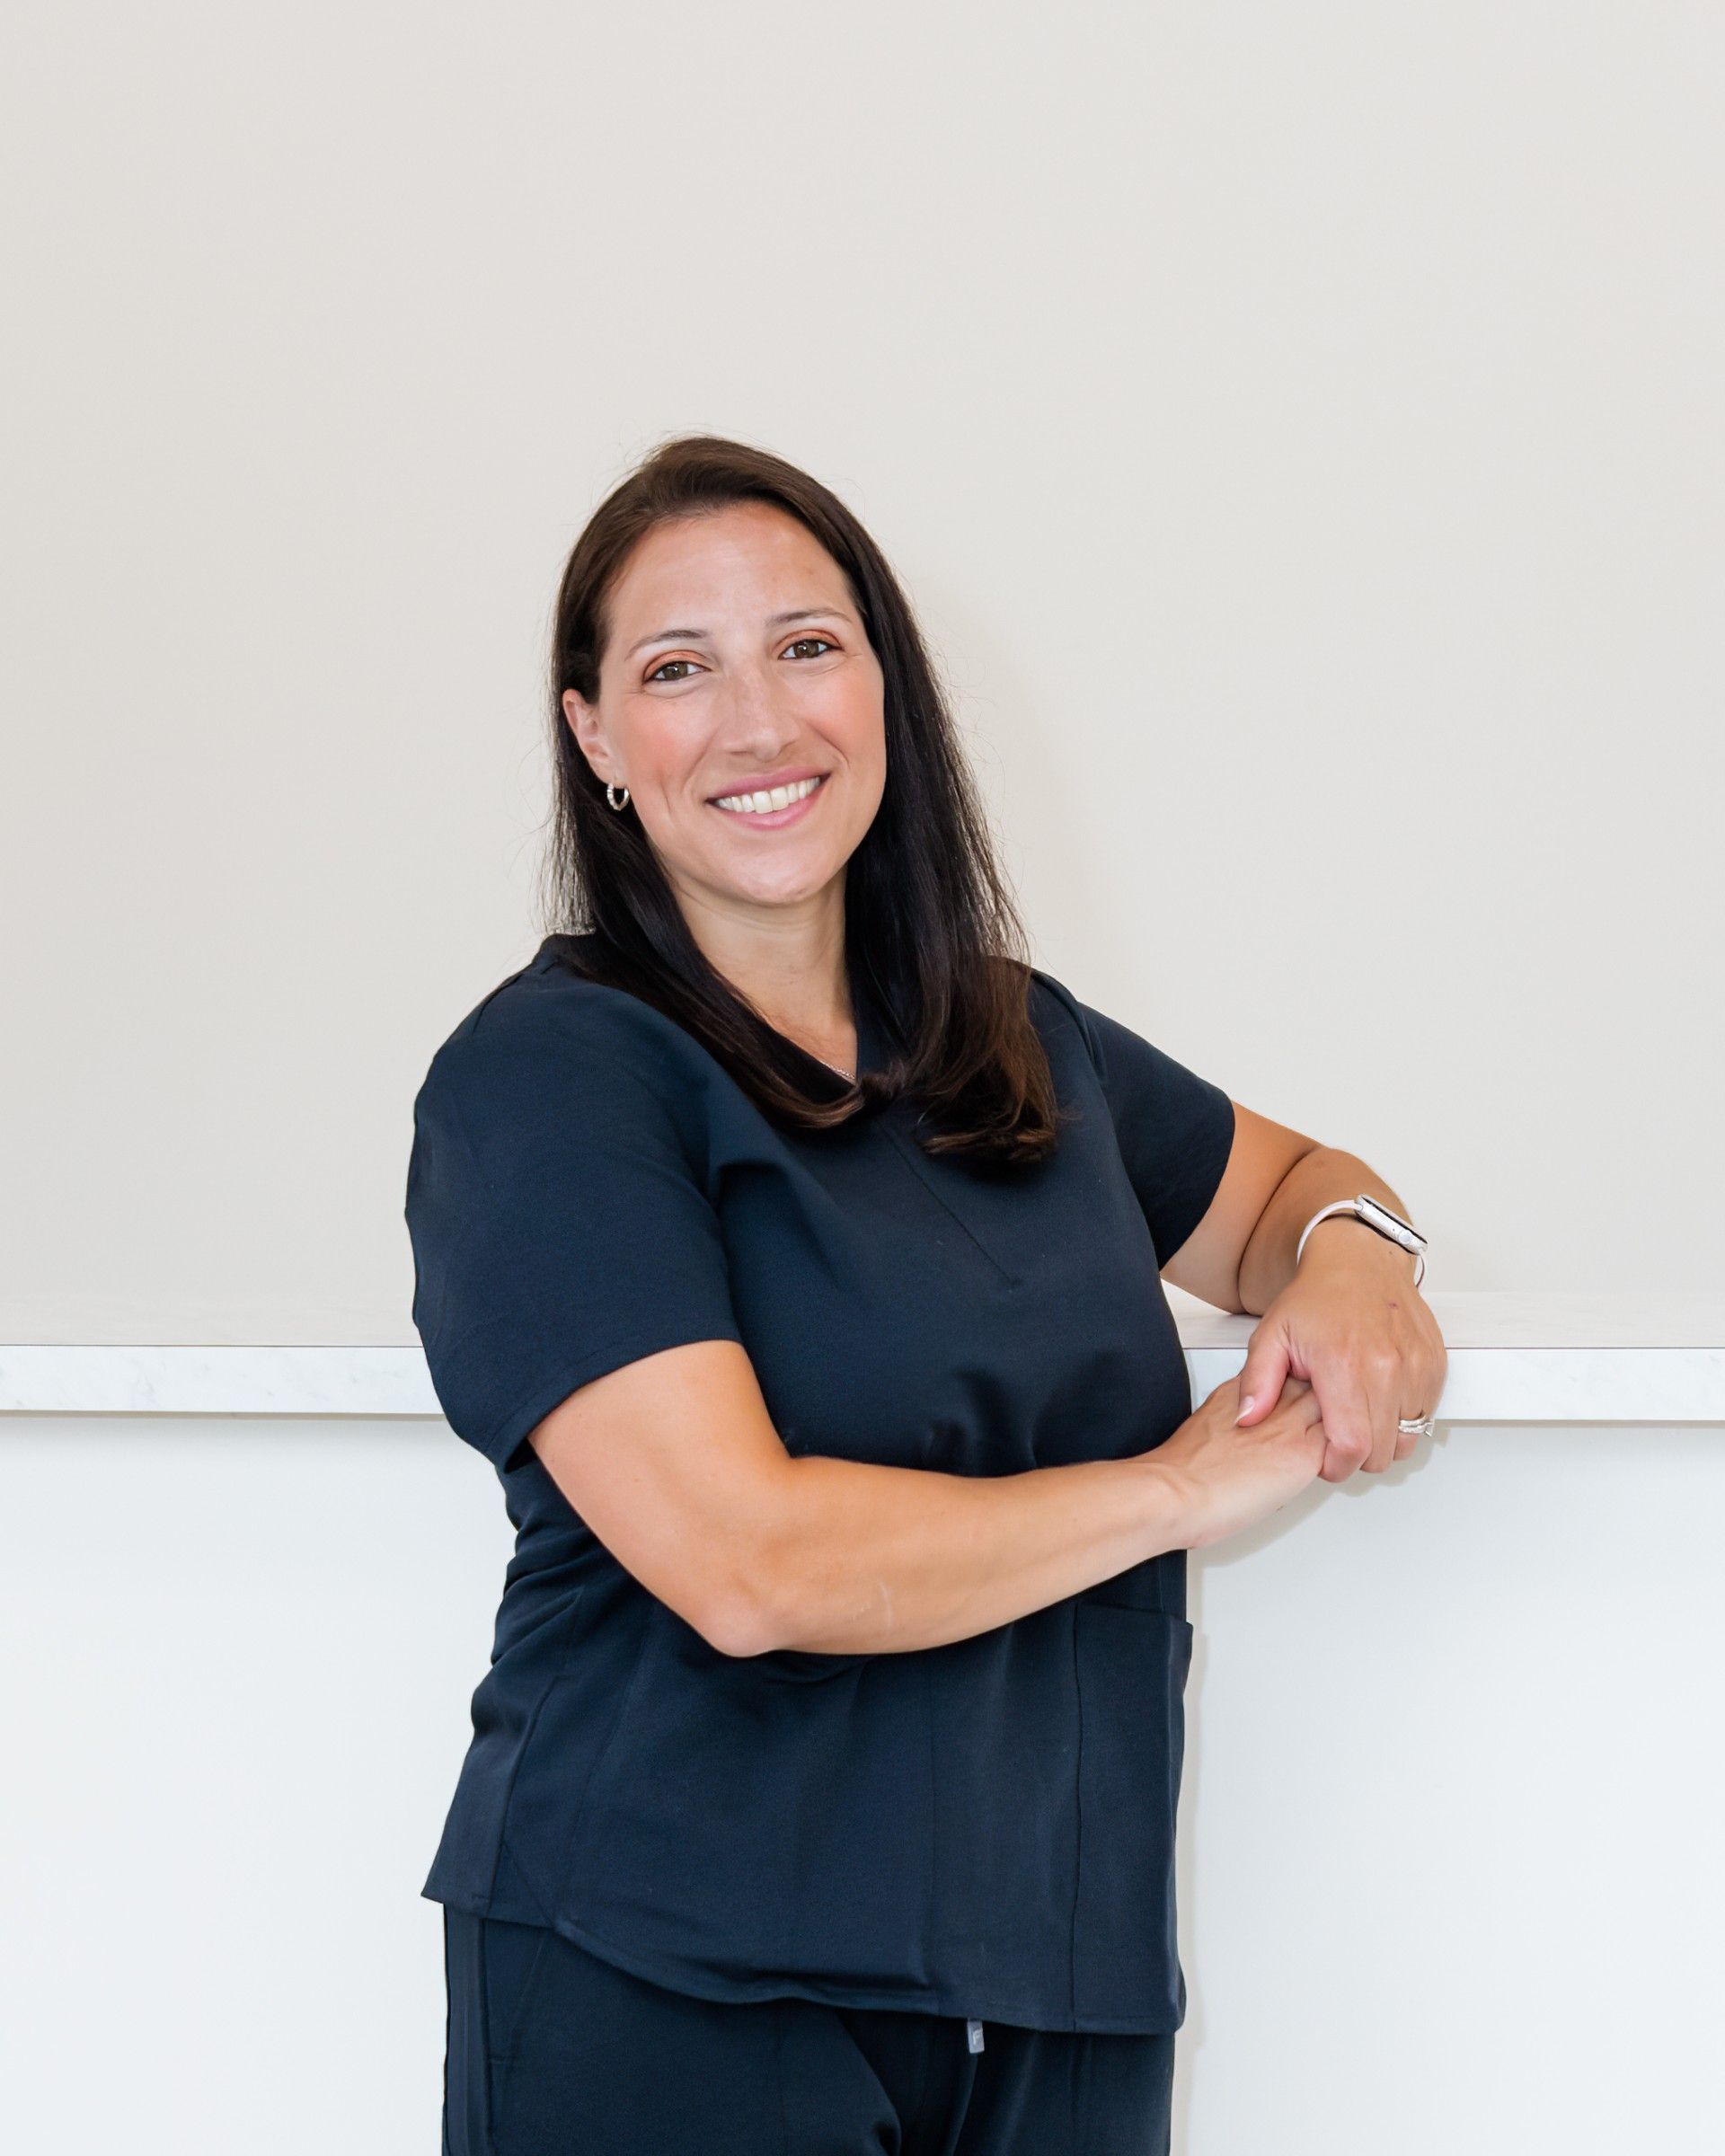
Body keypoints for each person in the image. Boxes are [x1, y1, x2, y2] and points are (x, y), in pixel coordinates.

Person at [404, 435, 1448, 2155]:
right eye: (680, 669)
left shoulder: (1010, 1036)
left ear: (883, 678)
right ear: (595, 735)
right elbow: (750, 1564)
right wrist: (1181, 1489)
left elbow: (1287, 1193)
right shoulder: (552, 1082)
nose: (759, 722)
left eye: (808, 645)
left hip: (1052, 1979)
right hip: (673, 1979)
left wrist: (1361, 1254)